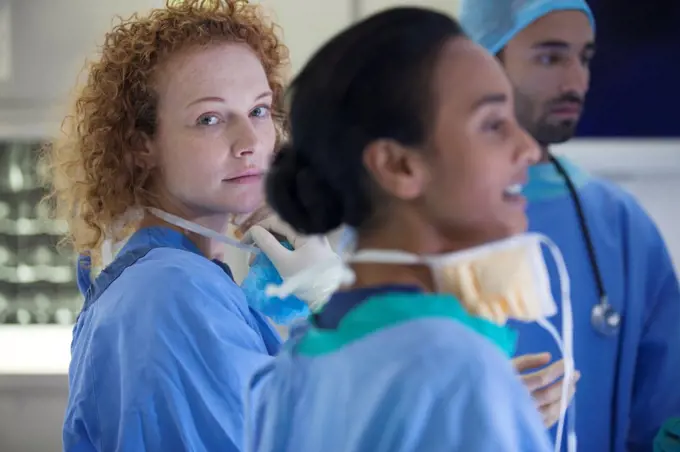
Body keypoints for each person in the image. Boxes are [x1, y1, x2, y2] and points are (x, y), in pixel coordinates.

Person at [245, 7, 552, 452]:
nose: (528, 149)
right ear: (399, 165)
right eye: (492, 124)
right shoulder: (458, 369)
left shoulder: (298, 363)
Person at [40, 1, 334, 450]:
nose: (250, 142)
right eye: (210, 119)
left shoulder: (179, 278)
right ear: (143, 146)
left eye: (258, 110)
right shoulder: (173, 291)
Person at [459, 1, 680, 451]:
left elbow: (664, 409)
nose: (576, 81)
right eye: (550, 57)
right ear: (482, 61)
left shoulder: (618, 221)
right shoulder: (407, 217)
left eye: (585, 58)